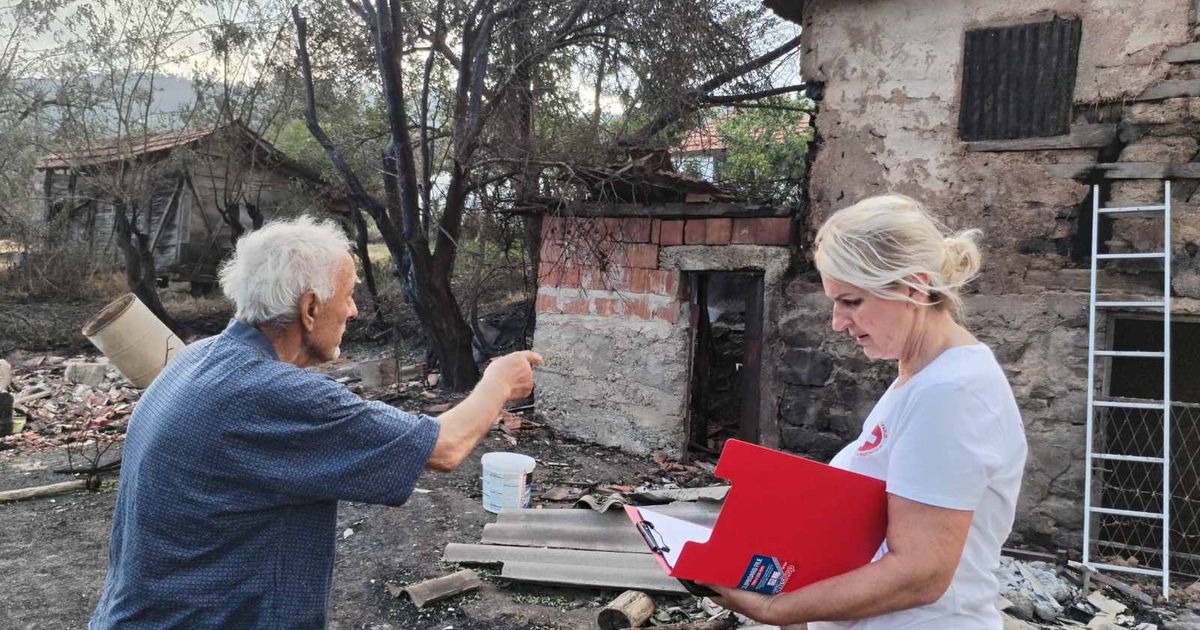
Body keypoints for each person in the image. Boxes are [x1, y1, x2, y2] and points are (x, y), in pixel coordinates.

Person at [90, 217, 542, 629]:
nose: (353, 311)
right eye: (347, 297)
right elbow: (443, 447)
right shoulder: (271, 393)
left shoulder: (197, 359)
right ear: (309, 308)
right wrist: (498, 382)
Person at [709, 195, 1027, 629]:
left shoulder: (951, 393)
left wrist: (775, 610)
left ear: (913, 287)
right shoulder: (922, 377)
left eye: (852, 302)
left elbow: (920, 574)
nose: (838, 322)